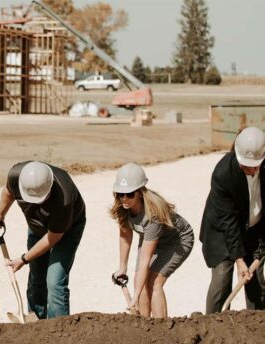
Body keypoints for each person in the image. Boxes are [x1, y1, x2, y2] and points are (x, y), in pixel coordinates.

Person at [0, 161, 85, 319]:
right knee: (37, 277)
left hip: (66, 230)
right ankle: (37, 325)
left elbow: (53, 238)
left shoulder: (64, 198)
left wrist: (24, 259)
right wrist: (0, 215)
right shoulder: (16, 176)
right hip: (37, 226)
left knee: (54, 281)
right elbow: (8, 191)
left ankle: (58, 329)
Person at [110, 163, 194, 318]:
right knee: (139, 282)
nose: (124, 198)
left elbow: (145, 261)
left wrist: (135, 297)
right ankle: (145, 327)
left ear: (140, 192)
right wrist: (122, 267)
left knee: (154, 282)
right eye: (120, 194)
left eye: (129, 194)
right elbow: (125, 235)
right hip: (150, 238)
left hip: (178, 240)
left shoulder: (152, 215)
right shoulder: (123, 207)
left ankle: (161, 329)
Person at [201, 126, 265, 313]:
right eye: (245, 164)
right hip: (222, 230)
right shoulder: (223, 174)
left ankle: (258, 323)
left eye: (254, 165)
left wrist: (261, 246)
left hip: (254, 228)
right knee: (222, 276)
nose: (249, 169)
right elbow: (228, 221)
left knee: (257, 280)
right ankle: (212, 324)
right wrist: (239, 259)